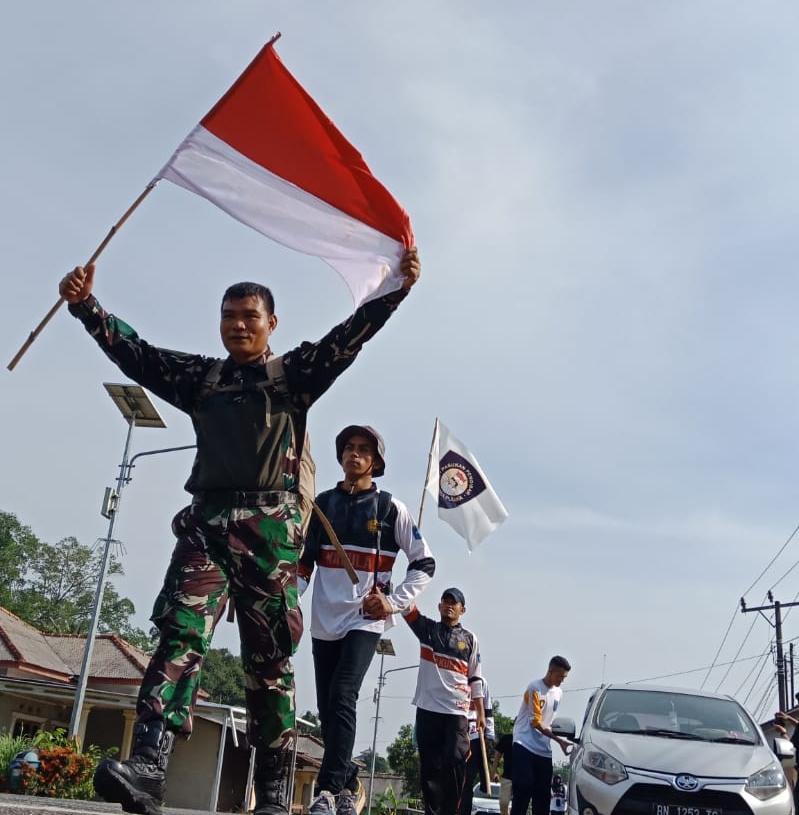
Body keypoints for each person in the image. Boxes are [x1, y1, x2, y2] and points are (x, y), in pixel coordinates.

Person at [57, 248, 421, 815]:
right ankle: (149, 765)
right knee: (179, 635)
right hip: (206, 527)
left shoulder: (294, 376)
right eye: (229, 316)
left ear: (271, 324)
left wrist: (395, 289)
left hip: (270, 537)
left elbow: (351, 335)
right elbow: (141, 357)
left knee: (269, 661)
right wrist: (87, 307)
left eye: (250, 316)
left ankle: (274, 791)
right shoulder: (203, 379)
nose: (238, 326)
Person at [297, 424, 435, 815]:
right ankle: (349, 780)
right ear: (340, 456)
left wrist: (392, 602)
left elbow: (425, 563)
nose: (354, 455)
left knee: (343, 694)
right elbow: (304, 567)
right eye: (348, 448)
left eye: (363, 450)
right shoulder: (321, 505)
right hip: (325, 620)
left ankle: (325, 792)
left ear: (375, 461)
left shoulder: (392, 508)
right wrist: (289, 601)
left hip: (365, 618)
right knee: (327, 707)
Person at [403, 588, 485, 815]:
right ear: (439, 606)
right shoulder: (427, 630)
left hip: (457, 711)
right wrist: (406, 584)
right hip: (428, 708)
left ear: (462, 609)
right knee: (430, 769)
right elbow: (406, 606)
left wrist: (480, 713)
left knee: (456, 763)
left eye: (454, 603)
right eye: (445, 601)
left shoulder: (469, 639)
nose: (449, 605)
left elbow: (476, 677)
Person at [510, 656, 572, 815]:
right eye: (560, 676)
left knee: (543, 796)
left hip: (543, 749)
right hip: (524, 743)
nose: (562, 680)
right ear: (551, 671)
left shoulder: (559, 693)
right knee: (523, 787)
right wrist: (559, 740)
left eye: (564, 677)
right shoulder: (534, 688)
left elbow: (549, 721)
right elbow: (536, 722)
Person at [457, 678, 495, 815]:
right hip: (457, 734)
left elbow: (488, 709)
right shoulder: (456, 677)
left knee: (468, 781)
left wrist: (489, 735)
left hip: (475, 737)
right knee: (455, 777)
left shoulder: (481, 682)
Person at [491, 730, 514, 815]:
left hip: (521, 777)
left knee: (518, 805)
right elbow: (497, 755)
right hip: (507, 776)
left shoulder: (528, 739)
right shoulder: (507, 738)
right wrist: (494, 772)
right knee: (503, 803)